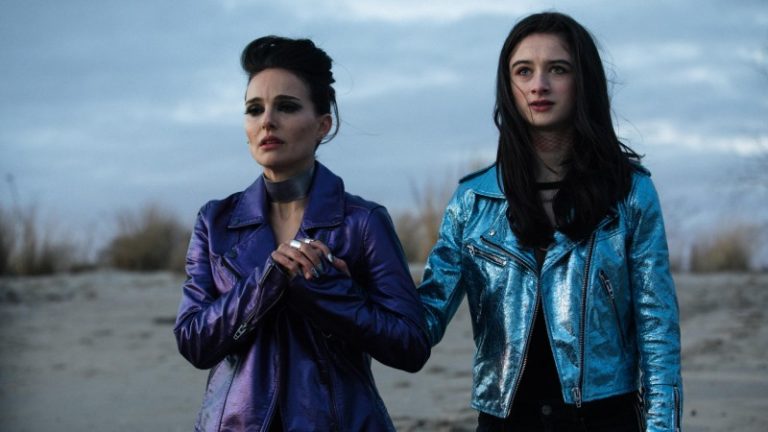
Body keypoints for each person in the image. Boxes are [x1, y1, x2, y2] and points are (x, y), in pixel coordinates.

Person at [418, 12, 682, 432]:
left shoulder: (630, 193)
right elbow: (423, 320)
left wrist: (663, 426)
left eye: (557, 69)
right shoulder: (472, 201)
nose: (538, 85)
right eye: (523, 71)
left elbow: (657, 327)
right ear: (507, 85)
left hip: (604, 420)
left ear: (583, 80)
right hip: (506, 421)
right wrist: (348, 285)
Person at [174, 36, 430, 432]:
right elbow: (194, 343)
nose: (267, 121)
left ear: (323, 125)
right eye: (254, 109)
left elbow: (411, 345)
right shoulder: (215, 221)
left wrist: (330, 290)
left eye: (287, 106)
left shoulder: (363, 222)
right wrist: (267, 282)